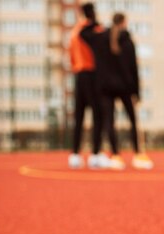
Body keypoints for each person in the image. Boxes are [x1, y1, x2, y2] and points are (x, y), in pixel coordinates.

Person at [81, 13, 154, 170]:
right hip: (125, 87)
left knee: (109, 121)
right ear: (124, 22)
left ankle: (115, 156)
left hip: (105, 88)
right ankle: (138, 154)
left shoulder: (100, 38)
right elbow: (134, 69)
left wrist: (93, 22)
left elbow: (83, 34)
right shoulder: (128, 41)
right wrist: (137, 92)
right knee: (133, 121)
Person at [68, 2, 109, 169]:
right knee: (98, 114)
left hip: (78, 75)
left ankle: (75, 155)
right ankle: (95, 155)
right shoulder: (92, 30)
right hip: (91, 74)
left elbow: (71, 55)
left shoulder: (74, 31)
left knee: (79, 116)